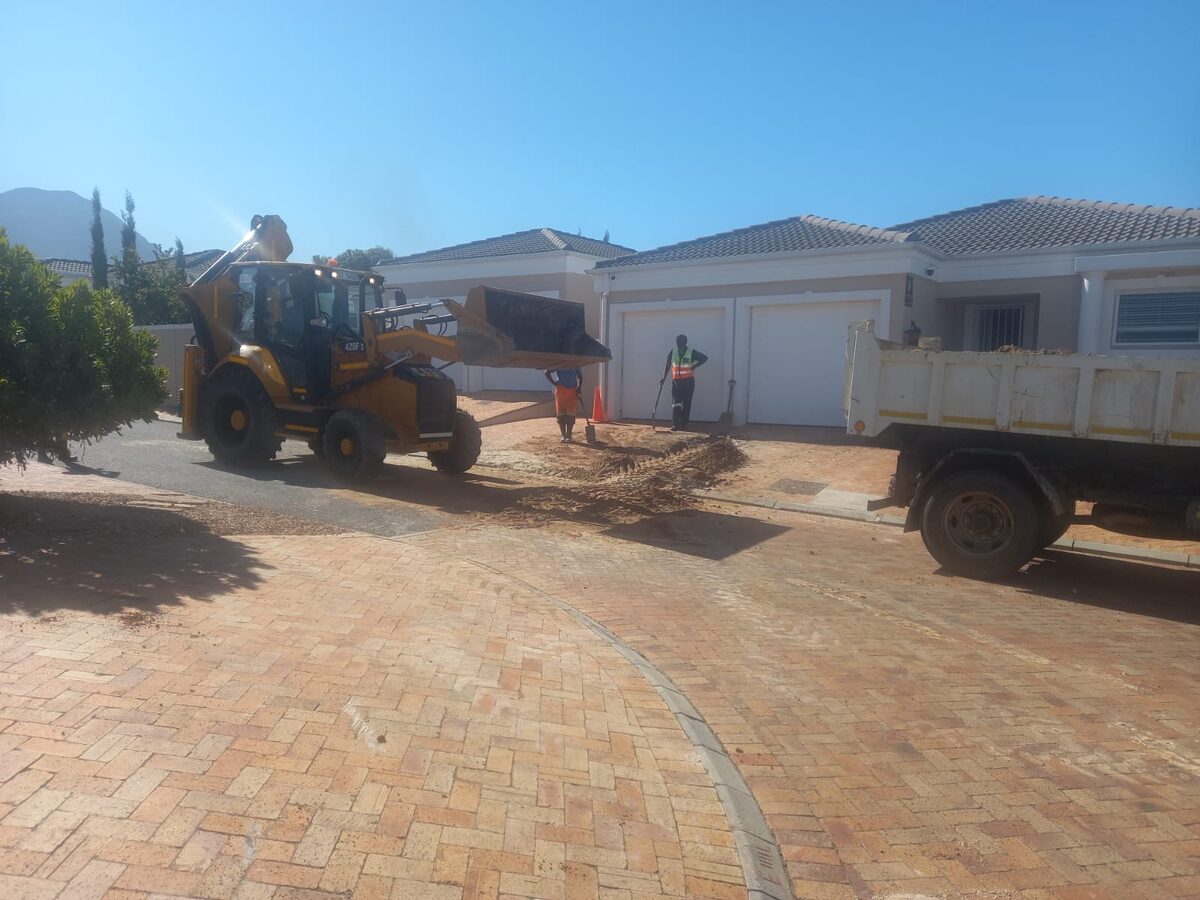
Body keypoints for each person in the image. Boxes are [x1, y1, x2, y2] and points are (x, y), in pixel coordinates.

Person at [661, 334, 708, 431]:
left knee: (687, 404)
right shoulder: (673, 352)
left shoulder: (691, 352)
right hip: (676, 382)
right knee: (676, 403)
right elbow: (668, 364)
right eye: (678, 342)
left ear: (685, 342)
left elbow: (704, 358)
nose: (679, 344)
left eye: (681, 342)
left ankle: (684, 424)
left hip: (688, 382)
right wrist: (663, 378)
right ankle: (675, 424)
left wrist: (694, 366)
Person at [545, 367, 583, 442]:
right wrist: (554, 383)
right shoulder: (561, 364)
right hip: (560, 390)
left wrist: (579, 388)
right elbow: (547, 372)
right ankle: (563, 436)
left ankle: (569, 436)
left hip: (572, 391)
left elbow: (580, 377)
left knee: (571, 414)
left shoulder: (575, 365)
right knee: (561, 414)